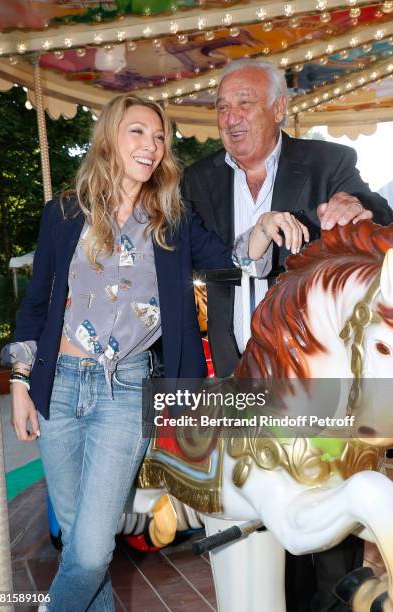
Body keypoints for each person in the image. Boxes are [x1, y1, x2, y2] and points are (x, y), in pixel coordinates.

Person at [1, 94, 309, 612]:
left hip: (125, 391)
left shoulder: (171, 218)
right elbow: (37, 303)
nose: (152, 145)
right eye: (138, 132)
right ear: (110, 139)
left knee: (94, 548)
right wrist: (20, 383)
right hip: (61, 382)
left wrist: (260, 230)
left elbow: (230, 260)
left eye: (159, 136)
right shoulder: (64, 213)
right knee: (80, 541)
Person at [182, 59, 393, 612]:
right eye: (222, 106)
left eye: (245, 103)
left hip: (313, 383)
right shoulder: (199, 179)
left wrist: (357, 207)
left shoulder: (327, 162)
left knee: (328, 548)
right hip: (240, 376)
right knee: (257, 526)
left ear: (280, 108)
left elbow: (381, 220)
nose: (231, 117)